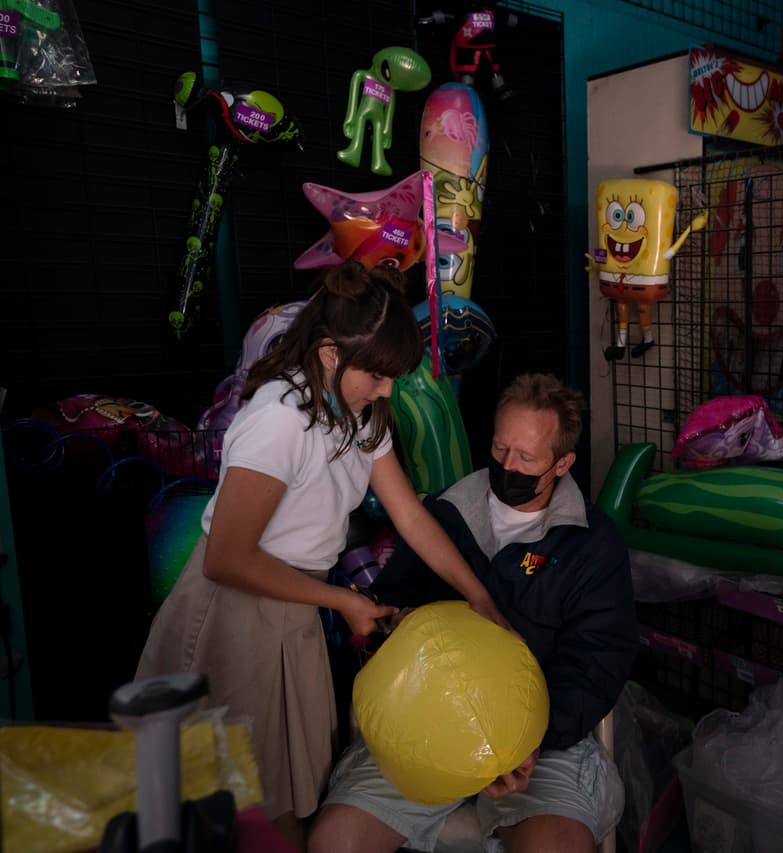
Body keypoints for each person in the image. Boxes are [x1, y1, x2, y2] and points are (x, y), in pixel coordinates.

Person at [135, 261, 505, 849]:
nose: (387, 390)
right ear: (330, 352)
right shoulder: (278, 420)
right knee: (246, 802)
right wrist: (342, 599)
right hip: (235, 609)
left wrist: (479, 594)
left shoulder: (361, 414)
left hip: (294, 604)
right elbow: (226, 559)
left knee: (290, 792)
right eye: (378, 376)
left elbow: (409, 514)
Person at [310, 373, 638, 853]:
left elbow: (600, 657)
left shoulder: (590, 541)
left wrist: (534, 738)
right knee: (334, 842)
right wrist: (393, 622)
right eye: (501, 448)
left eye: (527, 457)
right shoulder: (445, 513)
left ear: (563, 463)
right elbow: (391, 604)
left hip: (539, 745)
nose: (508, 465)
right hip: (426, 727)